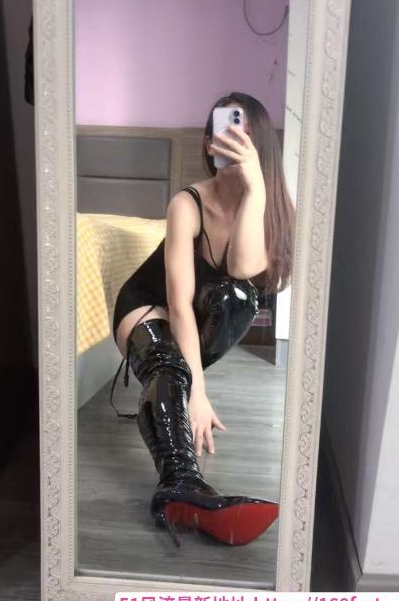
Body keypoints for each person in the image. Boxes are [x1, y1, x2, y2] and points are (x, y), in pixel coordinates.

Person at [111, 92, 295, 547]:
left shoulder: (271, 209)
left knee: (236, 295)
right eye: (221, 130)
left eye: (242, 130)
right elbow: (177, 304)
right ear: (209, 143)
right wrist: (198, 392)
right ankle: (184, 484)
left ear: (260, 143)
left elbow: (241, 270)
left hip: (203, 315)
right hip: (146, 304)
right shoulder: (187, 203)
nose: (229, 139)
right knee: (169, 366)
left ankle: (178, 491)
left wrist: (255, 189)